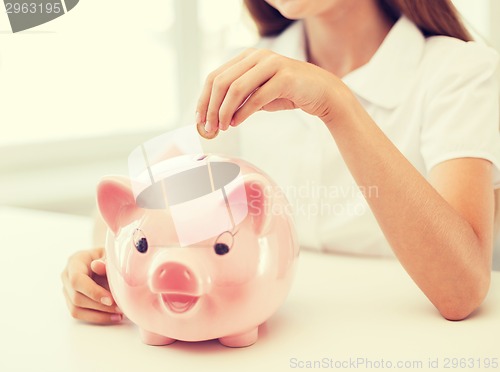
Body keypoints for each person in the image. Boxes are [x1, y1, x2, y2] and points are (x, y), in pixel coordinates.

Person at [62, 0, 500, 324]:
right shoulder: (248, 68)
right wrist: (103, 260)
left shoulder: (461, 72)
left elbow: (462, 291)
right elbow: (142, 192)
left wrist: (336, 103)